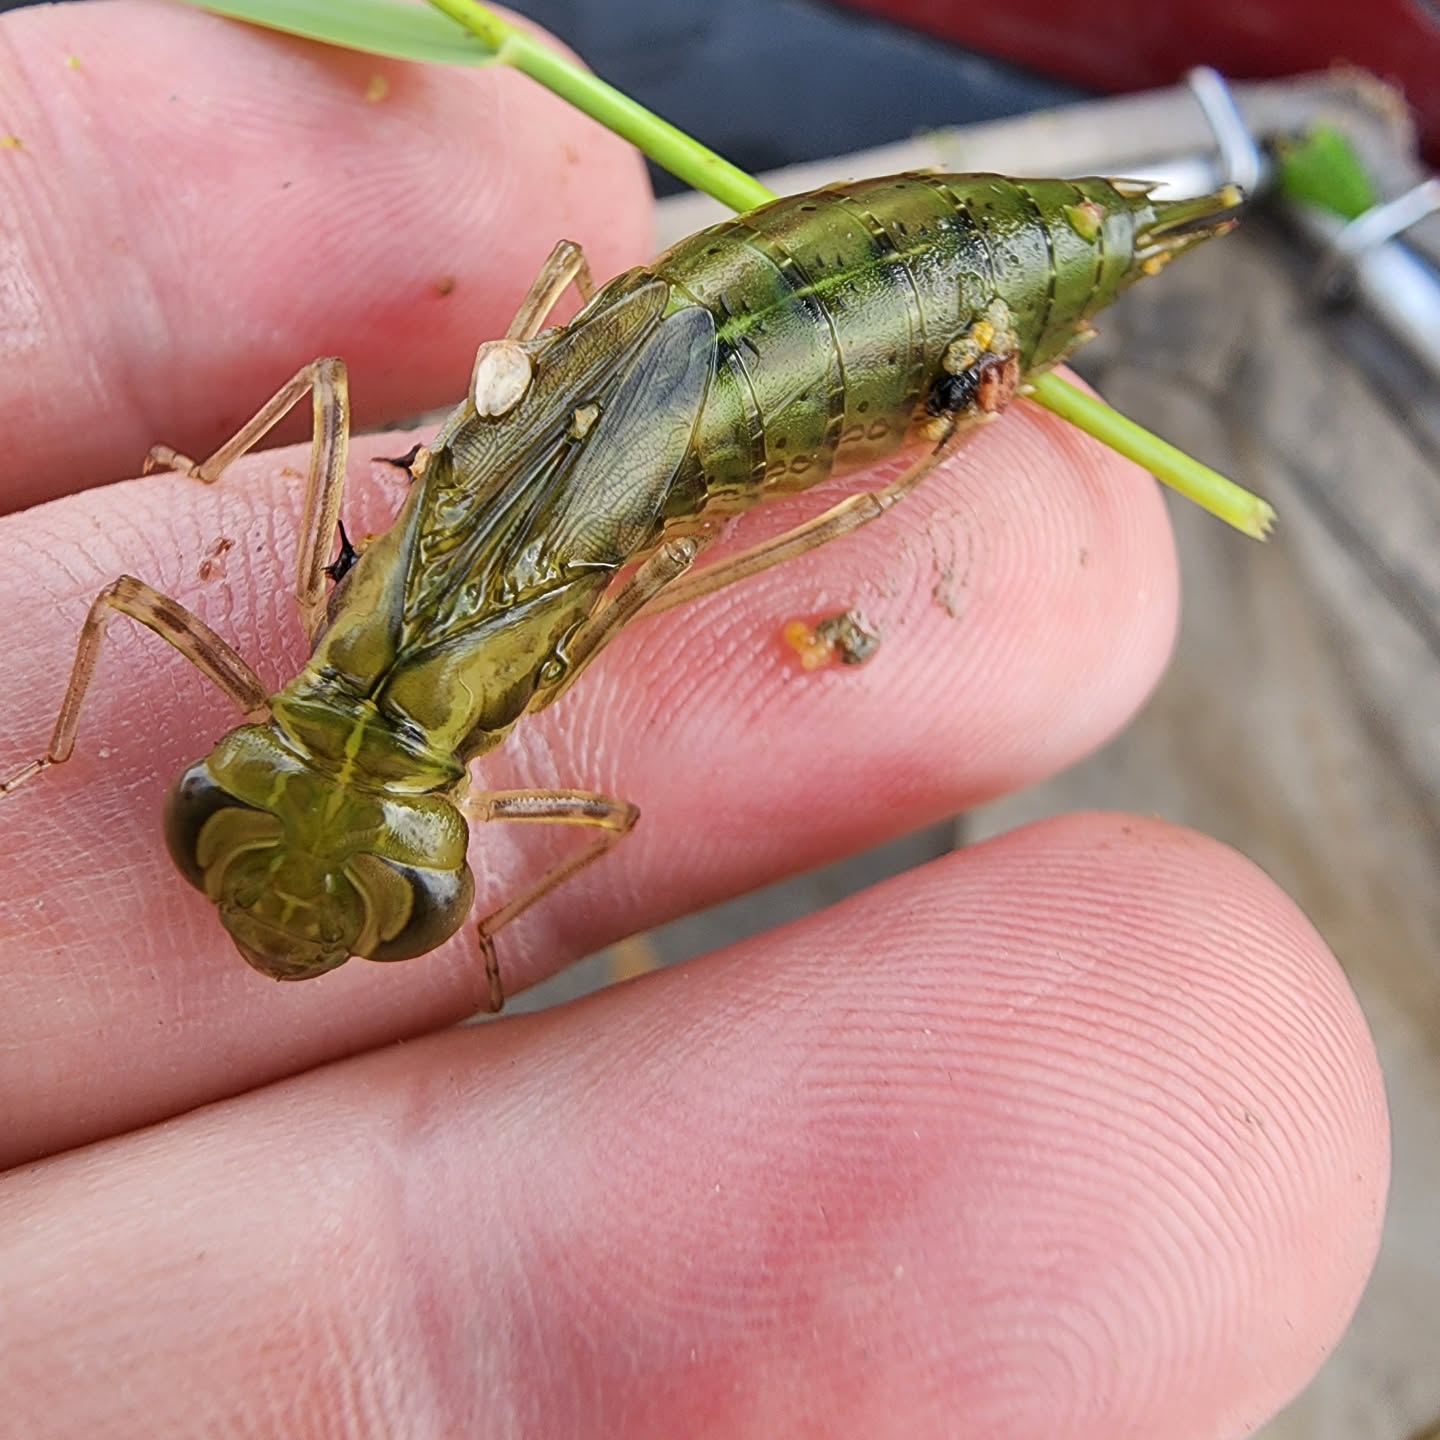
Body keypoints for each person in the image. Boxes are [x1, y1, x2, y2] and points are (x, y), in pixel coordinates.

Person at [0, 4, 1388, 1434]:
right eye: (410, 906)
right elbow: (316, 415)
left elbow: (597, 812)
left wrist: (470, 929)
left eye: (223, 817)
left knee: (797, 531)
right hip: (687, 328)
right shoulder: (330, 640)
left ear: (242, 765)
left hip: (769, 336)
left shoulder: (434, 748)